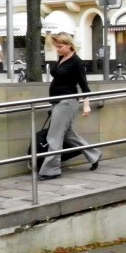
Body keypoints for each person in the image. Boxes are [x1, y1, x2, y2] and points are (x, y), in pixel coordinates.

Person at [38, 33, 101, 180]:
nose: (57, 49)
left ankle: (51, 170)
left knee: (53, 136)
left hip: (67, 102)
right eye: (56, 46)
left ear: (69, 45)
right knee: (67, 134)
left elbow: (84, 85)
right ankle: (94, 154)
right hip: (58, 101)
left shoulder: (77, 62)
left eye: (60, 47)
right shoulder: (62, 58)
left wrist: (86, 105)